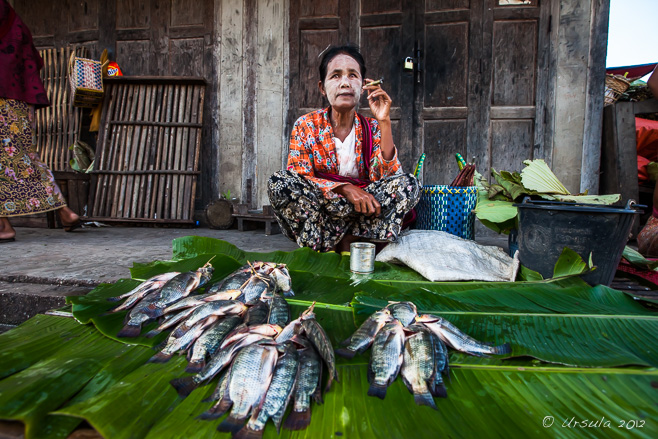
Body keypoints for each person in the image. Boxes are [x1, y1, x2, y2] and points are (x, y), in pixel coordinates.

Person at [268, 45, 420, 253]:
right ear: (322, 87)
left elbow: (390, 178)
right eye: (336, 76)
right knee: (280, 182)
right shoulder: (306, 125)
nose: (345, 83)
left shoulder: (372, 127)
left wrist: (384, 121)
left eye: (353, 76)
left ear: (363, 85)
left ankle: (350, 241)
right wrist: (344, 189)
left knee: (409, 185)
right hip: (323, 214)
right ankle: (329, 244)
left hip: (363, 213)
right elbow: (300, 178)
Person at [0, 0, 81, 243]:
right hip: (19, 101)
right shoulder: (16, 24)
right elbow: (33, 61)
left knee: (7, 161)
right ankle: (65, 212)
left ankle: (3, 226)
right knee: (25, 157)